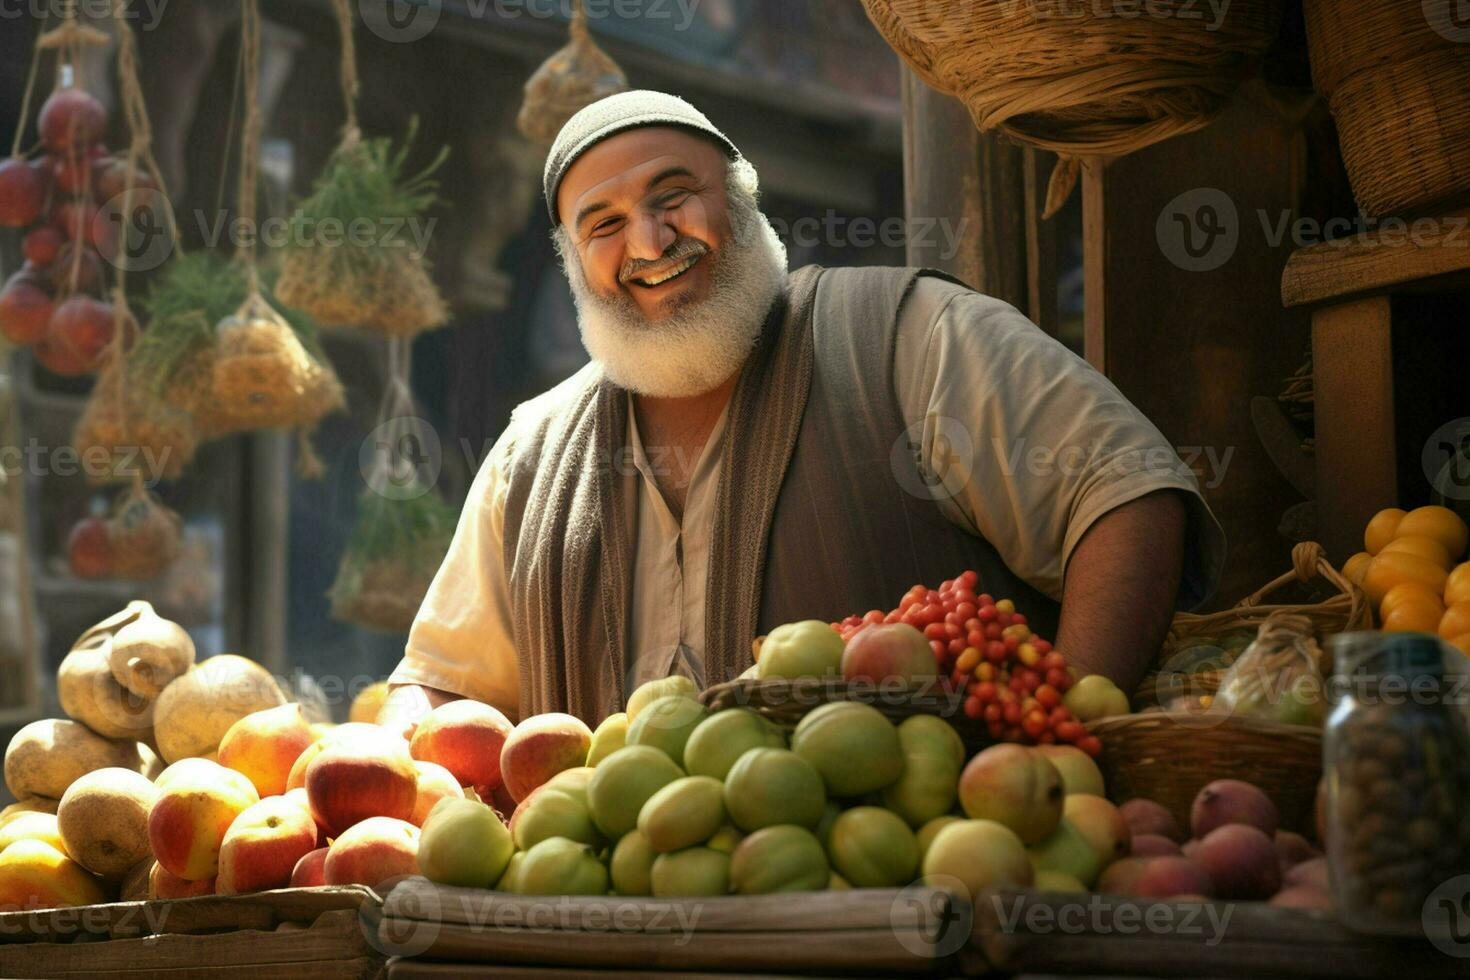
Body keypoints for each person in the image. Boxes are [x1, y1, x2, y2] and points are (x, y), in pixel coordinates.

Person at [383, 90, 1224, 730]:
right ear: (572, 262)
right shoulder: (530, 455)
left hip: (923, 906)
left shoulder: (907, 336)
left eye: (674, 195)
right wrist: (388, 778)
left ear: (741, 198)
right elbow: (442, 686)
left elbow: (1126, 496)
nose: (647, 242)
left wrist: (1069, 741)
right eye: (602, 224)